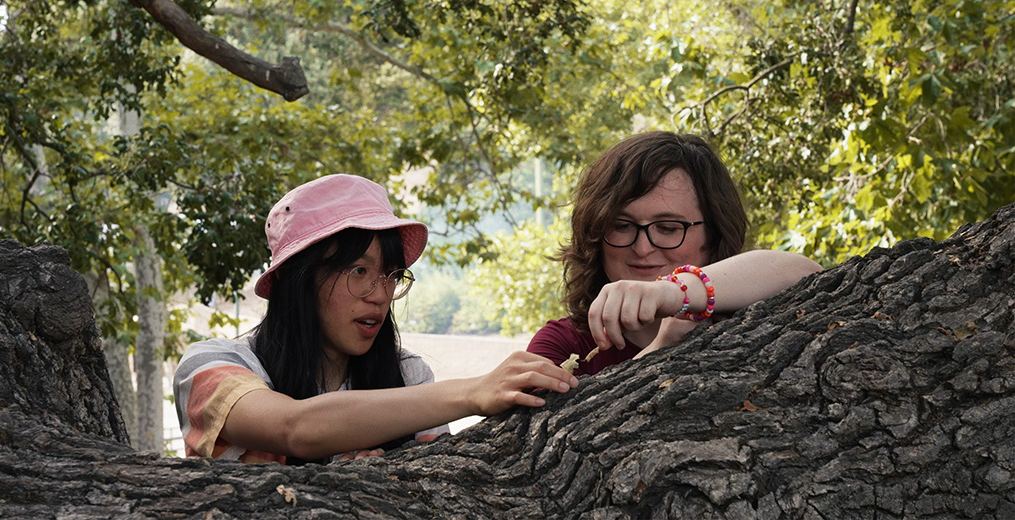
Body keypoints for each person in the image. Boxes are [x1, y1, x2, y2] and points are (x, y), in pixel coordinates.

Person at [174, 174, 578, 464]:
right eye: (358, 271)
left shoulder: (409, 376)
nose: (381, 295)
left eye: (390, 275)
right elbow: (292, 428)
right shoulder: (214, 367)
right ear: (298, 280)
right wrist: (475, 392)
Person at [527, 131, 823, 375]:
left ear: (713, 233)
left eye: (668, 228)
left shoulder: (750, 314)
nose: (642, 248)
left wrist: (674, 292)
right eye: (621, 225)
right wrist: (659, 350)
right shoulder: (562, 346)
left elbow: (805, 274)